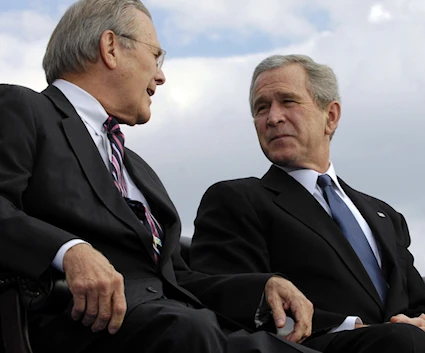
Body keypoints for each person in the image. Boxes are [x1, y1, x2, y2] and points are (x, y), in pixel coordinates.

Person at [0, 1, 316, 352]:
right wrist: (69, 250)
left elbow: (174, 279)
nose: (161, 75)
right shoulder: (20, 107)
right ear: (111, 48)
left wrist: (262, 287)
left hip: (177, 321)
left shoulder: (137, 169)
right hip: (81, 326)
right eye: (156, 56)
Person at [190, 54, 425, 353]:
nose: (273, 117)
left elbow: (421, 304)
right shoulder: (237, 199)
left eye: (288, 102)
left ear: (330, 116)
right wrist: (357, 327)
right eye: (261, 107)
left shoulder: (383, 215)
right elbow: (228, 297)